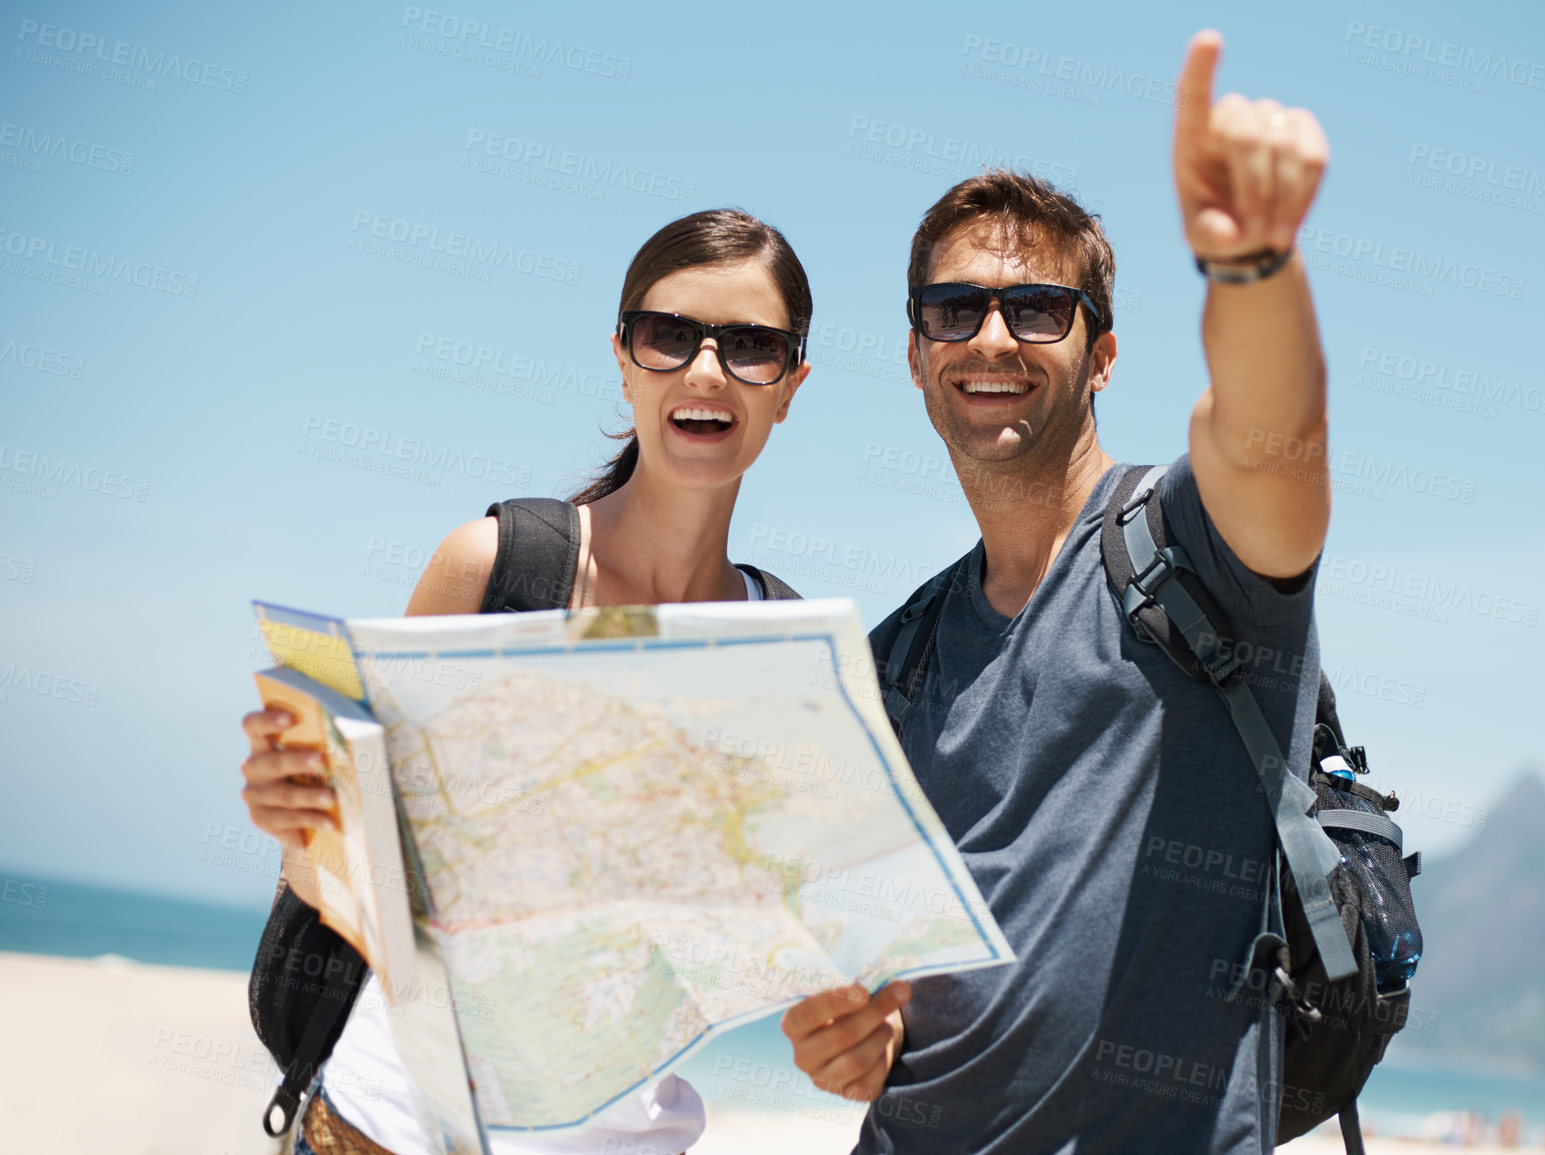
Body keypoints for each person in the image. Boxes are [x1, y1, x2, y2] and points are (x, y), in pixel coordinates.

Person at [781, 30, 1338, 1154]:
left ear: (1105, 354)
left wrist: (1252, 268)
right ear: (914, 355)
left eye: (1038, 308)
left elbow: (1272, 435)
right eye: (954, 310)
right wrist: (843, 1033)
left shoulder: (1197, 547)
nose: (993, 337)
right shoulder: (897, 657)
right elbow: (882, 983)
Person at [239, 208, 814, 1155]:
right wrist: (297, 818)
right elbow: (333, 874)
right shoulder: (495, 568)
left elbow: (736, 961)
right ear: (624, 360)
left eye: (750, 345)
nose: (705, 371)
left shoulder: (782, 648)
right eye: (669, 336)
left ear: (789, 385)